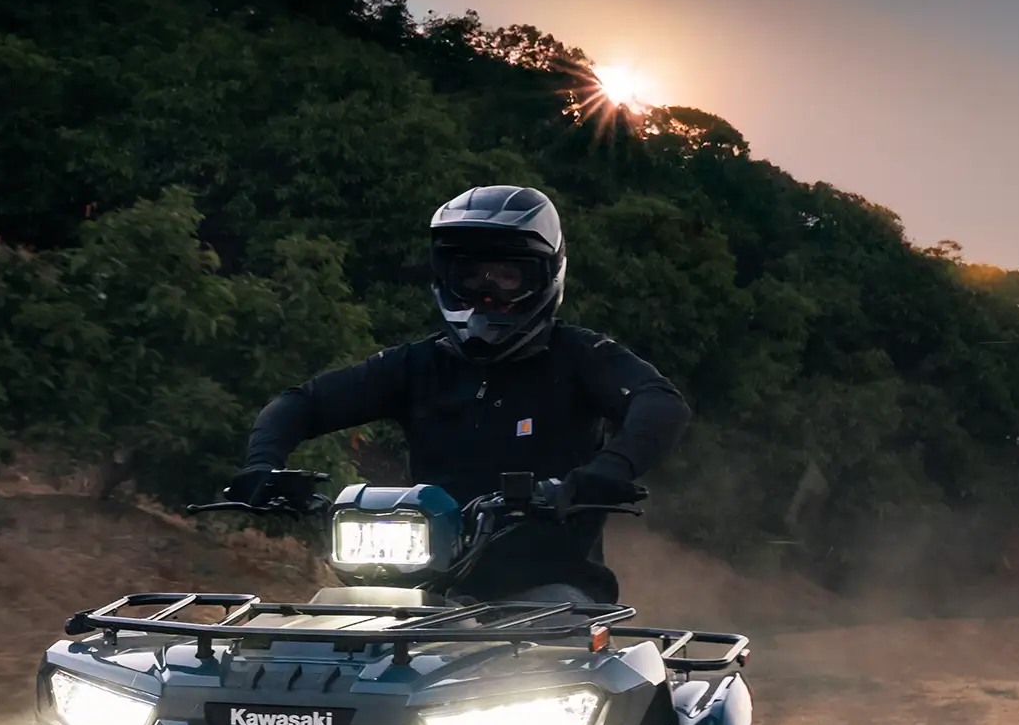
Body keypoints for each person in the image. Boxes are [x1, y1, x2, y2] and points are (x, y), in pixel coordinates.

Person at [227, 185, 690, 602]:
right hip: (420, 584)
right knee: (331, 627)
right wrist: (262, 466)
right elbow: (302, 402)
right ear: (446, 275)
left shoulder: (579, 356)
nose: (486, 292)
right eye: (471, 275)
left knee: (543, 660)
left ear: (544, 276)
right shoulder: (417, 365)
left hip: (549, 589)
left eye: (506, 276)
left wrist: (607, 469)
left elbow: (659, 401)